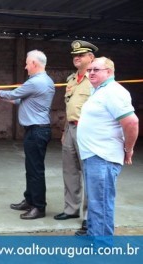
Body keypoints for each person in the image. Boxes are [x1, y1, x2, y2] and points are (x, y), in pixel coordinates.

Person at [77, 57, 138, 245]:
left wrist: (129, 148)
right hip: (93, 155)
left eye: (97, 69)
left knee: (101, 201)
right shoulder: (99, 91)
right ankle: (95, 235)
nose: (91, 73)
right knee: (96, 201)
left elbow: (131, 122)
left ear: (109, 72)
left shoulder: (113, 92)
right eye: (89, 70)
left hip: (103, 156)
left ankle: (103, 243)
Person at [0, 49, 55, 220]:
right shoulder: (42, 81)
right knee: (30, 169)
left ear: (34, 64)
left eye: (26, 63)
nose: (25, 67)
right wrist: (0, 97)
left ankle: (39, 207)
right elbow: (18, 99)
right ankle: (29, 200)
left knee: (35, 170)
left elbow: (14, 94)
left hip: (37, 131)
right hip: (35, 130)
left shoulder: (36, 82)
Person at [54, 40, 97, 236]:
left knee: (89, 173)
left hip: (88, 131)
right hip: (71, 129)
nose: (77, 57)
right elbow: (69, 108)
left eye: (81, 54)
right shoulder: (72, 80)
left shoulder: (96, 80)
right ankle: (71, 209)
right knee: (70, 171)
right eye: (74, 55)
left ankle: (89, 216)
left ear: (91, 58)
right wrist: (64, 131)